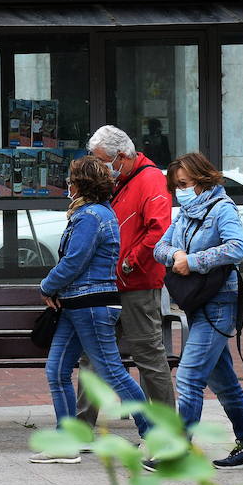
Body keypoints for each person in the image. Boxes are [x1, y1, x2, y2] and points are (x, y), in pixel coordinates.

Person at [31, 156, 151, 465]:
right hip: (77, 305)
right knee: (57, 371)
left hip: (91, 306)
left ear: (82, 184)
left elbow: (74, 261)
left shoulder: (90, 216)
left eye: (71, 180)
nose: (67, 185)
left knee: (113, 373)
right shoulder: (95, 213)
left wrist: (46, 286)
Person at [153, 152, 243, 469]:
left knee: (188, 379)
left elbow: (237, 247)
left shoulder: (221, 208)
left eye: (184, 184)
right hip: (198, 302)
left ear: (202, 180)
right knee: (225, 383)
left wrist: (195, 261)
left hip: (218, 302)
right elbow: (159, 247)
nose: (180, 191)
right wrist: (176, 254)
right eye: (176, 186)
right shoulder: (185, 213)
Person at [77, 125, 174, 429]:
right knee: (92, 358)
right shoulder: (123, 180)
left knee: (148, 357)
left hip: (137, 284)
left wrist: (129, 264)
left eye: (103, 160)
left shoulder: (150, 179)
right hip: (108, 283)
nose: (101, 168)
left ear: (120, 156)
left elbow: (158, 229)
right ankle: (81, 428)